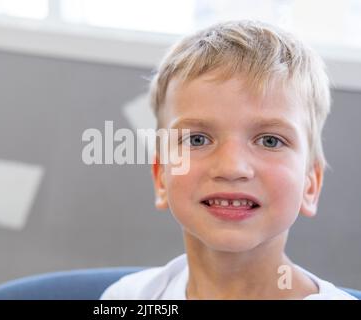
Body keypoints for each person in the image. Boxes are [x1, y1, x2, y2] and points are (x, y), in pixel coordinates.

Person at [100, 20, 357, 300]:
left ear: (310, 185)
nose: (231, 168)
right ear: (162, 177)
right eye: (197, 140)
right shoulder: (129, 298)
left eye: (270, 140)